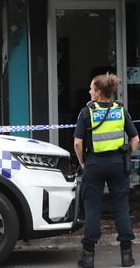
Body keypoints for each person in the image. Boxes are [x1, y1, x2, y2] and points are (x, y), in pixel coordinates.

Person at [74, 73, 139, 268]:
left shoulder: (87, 112)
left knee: (93, 208)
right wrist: (126, 156)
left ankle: (88, 257)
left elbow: (78, 143)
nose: (89, 91)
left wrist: (83, 163)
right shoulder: (120, 110)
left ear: (99, 92)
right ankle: (126, 256)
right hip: (118, 164)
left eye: (92, 88)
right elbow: (135, 139)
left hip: (94, 164)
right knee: (121, 206)